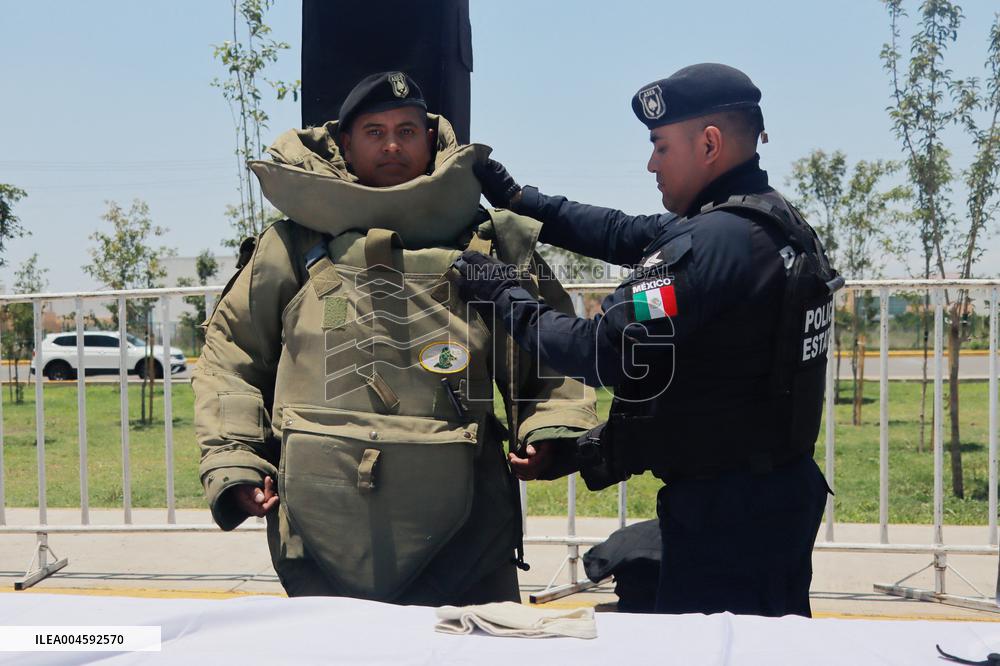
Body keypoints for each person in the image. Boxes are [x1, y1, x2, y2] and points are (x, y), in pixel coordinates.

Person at [194, 71, 597, 605]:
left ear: (430, 141)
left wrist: (550, 428)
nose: (391, 146)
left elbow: (551, 352)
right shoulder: (290, 247)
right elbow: (231, 357)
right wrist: (235, 459)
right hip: (321, 535)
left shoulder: (487, 241)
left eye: (406, 131)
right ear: (345, 144)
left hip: (468, 541)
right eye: (374, 132)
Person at [454, 63, 841, 617]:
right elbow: (619, 232)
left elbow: (601, 350)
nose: (651, 163)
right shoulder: (764, 220)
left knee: (719, 650)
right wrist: (520, 198)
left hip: (726, 516)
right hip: (768, 496)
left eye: (661, 146)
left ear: (708, 144)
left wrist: (500, 293)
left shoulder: (711, 244)